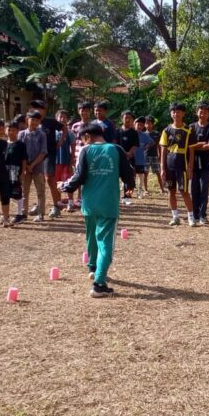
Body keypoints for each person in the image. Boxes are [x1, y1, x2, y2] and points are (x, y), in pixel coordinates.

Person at [59, 124, 131, 298]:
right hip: (108, 203)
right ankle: (99, 284)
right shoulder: (117, 149)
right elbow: (128, 174)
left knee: (91, 236)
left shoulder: (85, 151)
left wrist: (65, 186)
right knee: (105, 243)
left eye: (83, 139)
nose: (83, 142)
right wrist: (130, 187)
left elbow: (79, 176)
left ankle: (92, 267)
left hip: (89, 203)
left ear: (88, 136)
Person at [159, 102, 195, 226]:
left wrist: (190, 167)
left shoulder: (189, 130)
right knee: (171, 191)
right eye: (173, 111)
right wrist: (162, 168)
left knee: (184, 191)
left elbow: (191, 150)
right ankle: (175, 217)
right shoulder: (166, 131)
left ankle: (191, 217)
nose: (176, 114)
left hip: (182, 166)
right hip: (169, 166)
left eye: (178, 111)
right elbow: (163, 150)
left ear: (183, 113)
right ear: (171, 114)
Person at [28, 100, 64, 219]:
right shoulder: (32, 121)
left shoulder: (50, 121)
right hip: (36, 156)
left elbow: (64, 128)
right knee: (38, 180)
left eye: (39, 108)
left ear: (44, 110)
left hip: (49, 154)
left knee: (49, 179)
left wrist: (61, 141)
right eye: (35, 108)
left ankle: (57, 206)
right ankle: (39, 205)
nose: (37, 110)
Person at [189, 102, 209, 225]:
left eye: (205, 112)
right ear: (197, 113)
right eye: (201, 112)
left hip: (206, 163)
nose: (203, 114)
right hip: (193, 162)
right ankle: (194, 215)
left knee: (204, 189)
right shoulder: (191, 127)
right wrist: (199, 145)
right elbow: (188, 146)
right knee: (193, 189)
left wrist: (195, 147)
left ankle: (202, 215)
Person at [19, 110, 48, 222]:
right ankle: (23, 213)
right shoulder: (21, 134)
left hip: (38, 167)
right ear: (27, 120)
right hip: (24, 168)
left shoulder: (42, 135)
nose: (35, 122)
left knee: (40, 191)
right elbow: (19, 152)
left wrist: (32, 165)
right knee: (24, 191)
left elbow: (43, 152)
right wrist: (26, 166)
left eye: (37, 120)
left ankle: (40, 214)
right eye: (32, 119)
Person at [68, 101, 95, 211]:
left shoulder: (94, 125)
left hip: (90, 153)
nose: (84, 112)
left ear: (90, 111)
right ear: (78, 111)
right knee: (78, 175)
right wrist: (72, 155)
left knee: (89, 176)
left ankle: (87, 198)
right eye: (82, 110)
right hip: (77, 154)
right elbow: (72, 141)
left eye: (86, 110)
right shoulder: (75, 126)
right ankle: (79, 198)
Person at [5, 121, 27, 224]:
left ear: (17, 131)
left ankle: (19, 214)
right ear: (5, 130)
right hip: (4, 172)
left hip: (15, 171)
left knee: (17, 193)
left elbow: (24, 159)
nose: (11, 132)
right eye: (9, 130)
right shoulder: (3, 144)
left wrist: (23, 172)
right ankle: (6, 214)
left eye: (14, 130)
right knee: (5, 193)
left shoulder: (20, 145)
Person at [53, 109, 75, 209]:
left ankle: (70, 202)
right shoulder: (53, 133)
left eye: (64, 117)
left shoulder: (70, 133)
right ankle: (58, 202)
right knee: (56, 182)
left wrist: (71, 163)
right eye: (60, 117)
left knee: (68, 182)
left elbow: (73, 149)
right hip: (55, 162)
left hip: (66, 162)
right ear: (56, 119)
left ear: (67, 119)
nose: (62, 119)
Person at [117, 110, 140, 205]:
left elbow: (135, 145)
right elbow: (114, 144)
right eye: (125, 117)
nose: (127, 120)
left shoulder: (134, 133)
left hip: (130, 158)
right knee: (115, 177)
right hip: (117, 157)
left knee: (129, 178)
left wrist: (129, 153)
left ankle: (127, 197)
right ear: (121, 119)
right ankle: (115, 196)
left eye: (129, 118)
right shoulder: (117, 131)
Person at [144, 116, 164, 194]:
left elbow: (159, 146)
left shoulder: (156, 134)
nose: (148, 125)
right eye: (146, 123)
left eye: (149, 123)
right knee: (145, 173)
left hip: (155, 156)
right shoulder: (143, 134)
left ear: (153, 124)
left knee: (158, 173)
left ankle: (162, 189)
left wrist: (160, 155)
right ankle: (145, 190)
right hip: (145, 156)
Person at [135, 116, 152, 197]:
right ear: (134, 124)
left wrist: (146, 146)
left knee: (141, 176)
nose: (139, 126)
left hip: (140, 159)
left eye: (141, 125)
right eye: (138, 124)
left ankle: (140, 191)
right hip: (130, 159)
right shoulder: (130, 133)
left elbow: (151, 142)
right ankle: (128, 193)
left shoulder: (145, 135)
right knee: (130, 176)